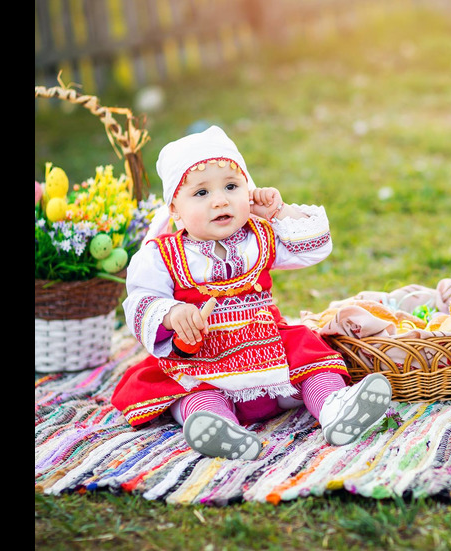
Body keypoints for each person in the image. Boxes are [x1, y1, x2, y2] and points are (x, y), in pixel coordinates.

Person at [111, 126, 391, 460]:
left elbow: (314, 247)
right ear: (174, 209)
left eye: (232, 186)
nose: (220, 199)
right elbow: (140, 298)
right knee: (188, 391)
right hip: (205, 358)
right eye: (201, 193)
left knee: (312, 355)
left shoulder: (258, 235)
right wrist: (170, 314)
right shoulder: (162, 254)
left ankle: (334, 407)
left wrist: (278, 212)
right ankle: (217, 427)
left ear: (249, 189)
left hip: (269, 349)